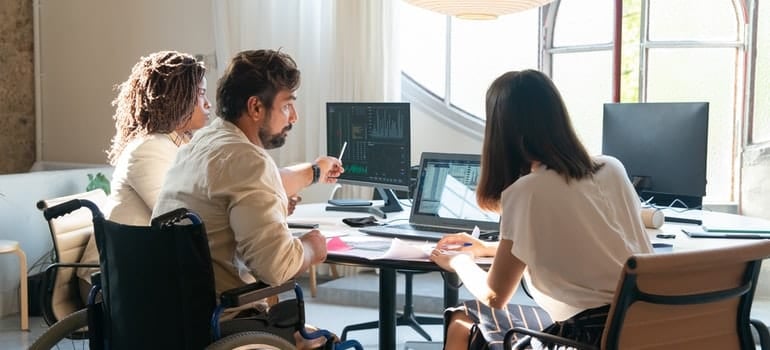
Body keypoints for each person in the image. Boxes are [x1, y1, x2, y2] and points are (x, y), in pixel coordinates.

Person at [430, 70, 653, 350]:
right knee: (469, 317)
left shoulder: (526, 191)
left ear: (501, 130)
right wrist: (486, 248)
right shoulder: (612, 167)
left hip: (583, 340)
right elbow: (581, 241)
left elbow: (494, 296)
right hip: (644, 327)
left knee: (463, 321)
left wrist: (457, 262)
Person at [152, 49, 343, 298]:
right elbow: (277, 267)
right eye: (287, 106)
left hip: (174, 312)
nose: (294, 117)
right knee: (330, 338)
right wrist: (311, 247)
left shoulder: (201, 142)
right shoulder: (250, 160)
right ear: (255, 107)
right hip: (224, 319)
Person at [77, 51, 210, 300]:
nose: (208, 104)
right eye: (201, 94)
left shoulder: (177, 146)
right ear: (176, 97)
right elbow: (174, 217)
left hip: (140, 266)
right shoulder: (149, 148)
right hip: (108, 280)